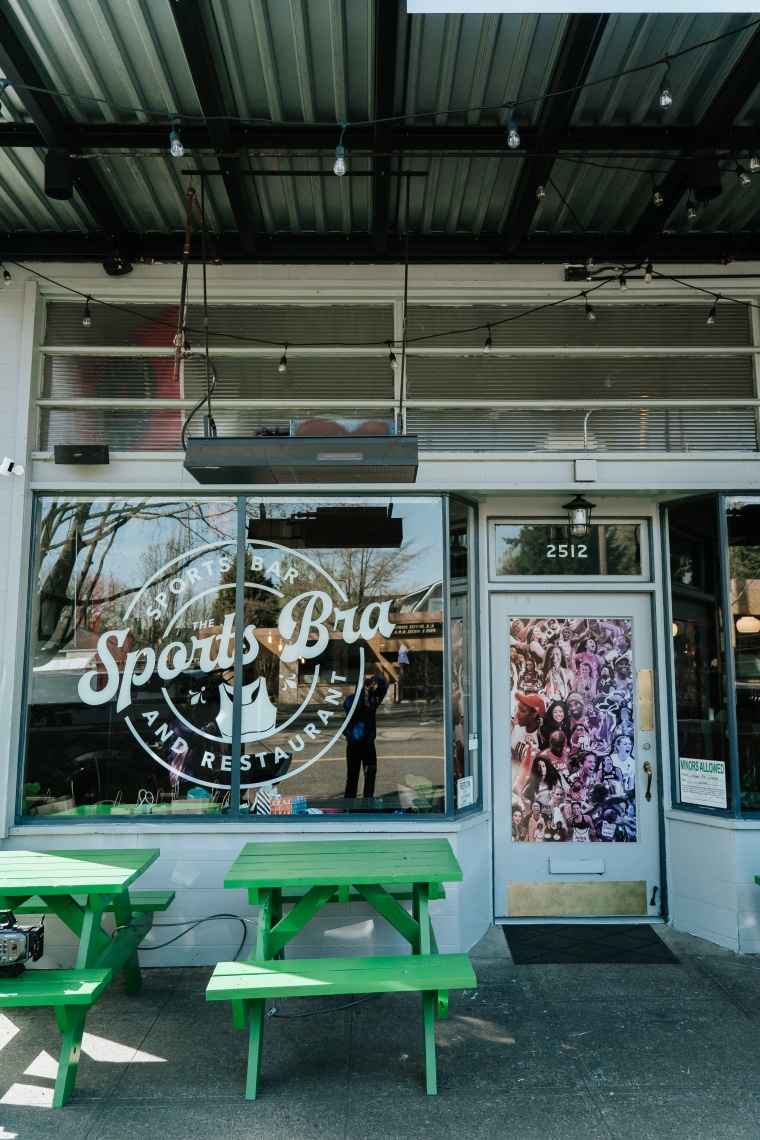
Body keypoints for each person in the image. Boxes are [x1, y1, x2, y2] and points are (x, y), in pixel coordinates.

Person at [343, 673, 388, 800]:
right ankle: (356, 804)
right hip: (359, 744)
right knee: (359, 777)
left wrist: (372, 679)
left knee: (364, 777)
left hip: (363, 744)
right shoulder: (355, 700)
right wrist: (370, 681)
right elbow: (384, 686)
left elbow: (384, 686)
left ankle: (361, 804)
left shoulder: (370, 700)